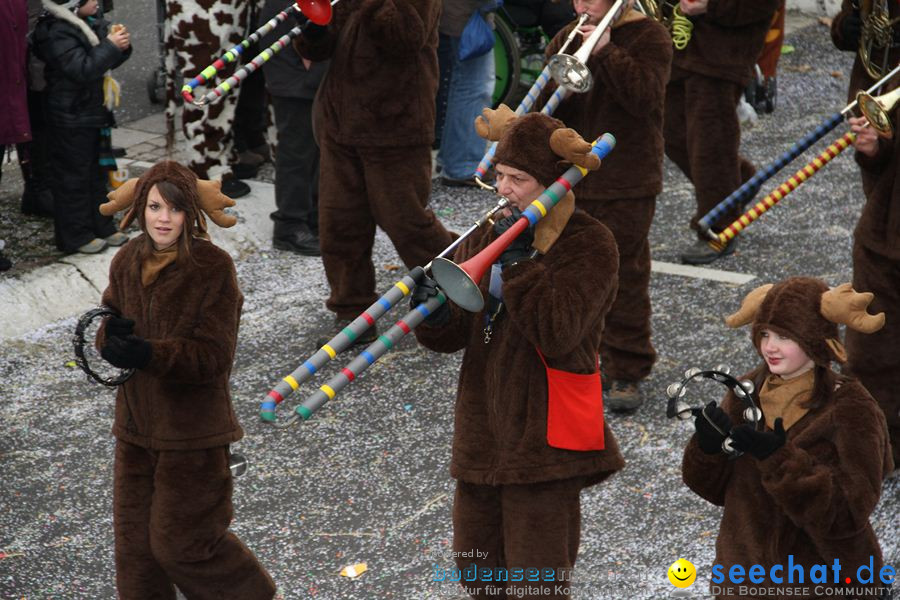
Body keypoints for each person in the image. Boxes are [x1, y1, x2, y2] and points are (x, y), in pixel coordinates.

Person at [413, 111, 624, 600]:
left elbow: (558, 331)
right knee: (478, 572)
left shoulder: (591, 243)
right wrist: (434, 313)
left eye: (518, 179)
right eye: (500, 176)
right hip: (482, 428)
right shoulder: (495, 229)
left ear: (551, 183)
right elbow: (458, 335)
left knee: (537, 582)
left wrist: (523, 265)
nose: (504, 189)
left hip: (545, 435)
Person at [97, 160, 277, 600]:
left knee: (184, 546)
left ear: (190, 214)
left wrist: (149, 353)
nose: (163, 218)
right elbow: (107, 321)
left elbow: (214, 357)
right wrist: (110, 341)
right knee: (136, 554)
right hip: (136, 429)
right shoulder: (126, 259)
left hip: (194, 434)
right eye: (155, 206)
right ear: (140, 208)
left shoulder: (212, 267)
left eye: (175, 210)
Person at [682, 277, 894, 600]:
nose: (770, 346)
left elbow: (849, 513)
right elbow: (717, 490)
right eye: (765, 334)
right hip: (745, 579)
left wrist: (782, 461)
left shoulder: (852, 407)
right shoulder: (744, 393)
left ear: (816, 340)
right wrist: (707, 448)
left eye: (783, 336)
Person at [293, 0, 456, 347]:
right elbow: (317, 48)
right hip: (340, 126)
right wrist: (313, 25)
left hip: (396, 125)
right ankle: (352, 311)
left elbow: (404, 37)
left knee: (407, 222)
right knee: (340, 223)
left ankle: (467, 278)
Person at [537, 0, 671, 411]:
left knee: (623, 274)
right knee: (567, 273)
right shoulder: (567, 35)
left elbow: (645, 98)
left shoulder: (651, 36)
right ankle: (576, 359)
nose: (581, 5)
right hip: (571, 178)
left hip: (627, 179)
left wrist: (607, 53)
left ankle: (627, 367)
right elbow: (547, 106)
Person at [832, 0, 900, 469]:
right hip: (887, 223)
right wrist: (874, 147)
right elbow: (846, 33)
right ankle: (880, 445)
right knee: (873, 341)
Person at [662, 0, 778, 265]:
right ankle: (739, 183)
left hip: (725, 51)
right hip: (683, 47)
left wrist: (712, 6)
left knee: (710, 144)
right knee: (670, 132)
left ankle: (720, 227)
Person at [32, 0, 131, 254]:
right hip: (70, 116)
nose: (97, 2)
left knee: (97, 175)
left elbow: (104, 61)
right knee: (72, 178)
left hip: (92, 112)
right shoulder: (55, 31)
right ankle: (75, 235)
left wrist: (121, 46)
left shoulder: (90, 23)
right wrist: (110, 46)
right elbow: (82, 68)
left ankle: (102, 225)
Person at [163, 0, 254, 199]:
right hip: (202, 12)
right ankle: (203, 165)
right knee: (204, 84)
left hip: (228, 10)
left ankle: (221, 155)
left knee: (227, 83)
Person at [260, 0, 328, 256]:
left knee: (315, 147)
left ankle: (311, 215)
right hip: (295, 67)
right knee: (297, 150)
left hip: (311, 62)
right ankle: (289, 225)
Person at [435, 0, 496, 187]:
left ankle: (452, 159)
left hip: (449, 12)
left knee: (457, 83)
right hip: (464, 12)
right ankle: (464, 165)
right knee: (474, 86)